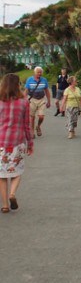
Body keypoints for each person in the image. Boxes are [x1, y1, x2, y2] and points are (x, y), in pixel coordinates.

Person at [0, 74, 34, 213]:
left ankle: (5, 205)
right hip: (17, 142)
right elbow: (27, 125)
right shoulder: (24, 102)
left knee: (1, 176)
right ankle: (12, 194)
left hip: (1, 142)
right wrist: (30, 144)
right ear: (17, 85)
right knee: (17, 172)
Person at [24, 66, 51, 137]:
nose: (39, 73)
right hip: (32, 100)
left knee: (41, 116)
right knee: (32, 117)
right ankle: (32, 132)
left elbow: (47, 91)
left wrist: (49, 101)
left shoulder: (44, 80)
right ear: (34, 72)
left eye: (40, 72)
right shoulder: (29, 80)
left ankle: (38, 126)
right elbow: (26, 91)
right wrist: (24, 100)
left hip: (41, 100)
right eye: (38, 72)